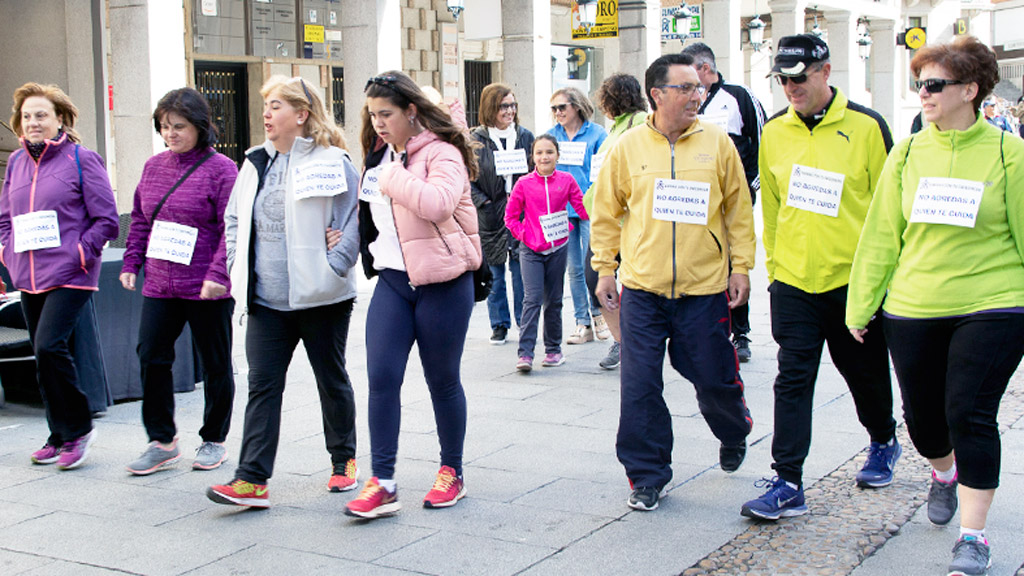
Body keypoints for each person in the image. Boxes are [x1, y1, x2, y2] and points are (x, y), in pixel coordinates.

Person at [847, 36, 1024, 576]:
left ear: (970, 90)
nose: (921, 94)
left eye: (933, 85)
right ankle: (942, 471)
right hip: (914, 303)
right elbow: (883, 232)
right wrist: (861, 305)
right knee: (924, 422)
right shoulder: (907, 152)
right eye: (917, 84)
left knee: (969, 412)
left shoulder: (1008, 154)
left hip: (994, 301)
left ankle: (974, 536)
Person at [742, 34, 900, 521]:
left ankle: (883, 439)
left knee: (864, 374)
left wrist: (878, 283)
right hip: (793, 283)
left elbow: (889, 209)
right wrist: (775, 269)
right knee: (793, 378)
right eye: (783, 79)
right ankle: (788, 481)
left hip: (853, 283)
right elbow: (770, 202)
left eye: (800, 77)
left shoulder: (868, 127)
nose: (791, 87)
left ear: (826, 72)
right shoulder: (774, 131)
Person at [591, 54, 755, 512]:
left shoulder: (718, 143)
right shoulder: (627, 148)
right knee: (639, 384)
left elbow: (738, 211)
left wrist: (740, 266)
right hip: (643, 290)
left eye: (698, 88)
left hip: (703, 291)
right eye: (685, 88)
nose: (696, 95)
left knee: (712, 375)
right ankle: (646, 475)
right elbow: (605, 212)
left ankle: (733, 428)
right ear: (657, 95)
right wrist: (605, 267)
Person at [206, 76, 361, 507]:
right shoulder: (255, 161)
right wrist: (237, 264)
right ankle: (251, 479)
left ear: (302, 114)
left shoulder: (333, 160)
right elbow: (234, 220)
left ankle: (343, 460)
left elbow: (354, 218)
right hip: (266, 301)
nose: (266, 114)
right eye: (266, 105)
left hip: (322, 297)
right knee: (262, 385)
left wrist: (335, 263)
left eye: (276, 106)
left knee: (330, 379)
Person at [345, 71, 482, 519]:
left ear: (411, 111)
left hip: (443, 283)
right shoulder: (380, 158)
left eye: (386, 114)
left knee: (442, 380)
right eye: (372, 115)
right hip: (392, 281)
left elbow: (438, 203)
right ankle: (382, 481)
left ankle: (452, 471)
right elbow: (370, 214)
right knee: (381, 377)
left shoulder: (442, 153)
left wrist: (392, 178)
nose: (378, 123)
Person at [120, 88, 238, 475]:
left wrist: (218, 274)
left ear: (201, 127)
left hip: (206, 285)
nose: (171, 133)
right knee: (151, 355)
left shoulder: (221, 169)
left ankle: (213, 438)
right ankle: (162, 440)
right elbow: (140, 219)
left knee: (215, 363)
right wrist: (131, 262)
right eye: (165, 127)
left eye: (179, 126)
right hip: (160, 281)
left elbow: (230, 229)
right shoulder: (154, 167)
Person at [1, 82, 118, 470]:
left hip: (71, 273)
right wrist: (6, 249)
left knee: (51, 346)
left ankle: (79, 428)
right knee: (43, 354)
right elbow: (5, 219)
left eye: (41, 115)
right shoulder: (17, 162)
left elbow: (106, 220)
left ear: (60, 119)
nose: (33, 122)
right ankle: (58, 433)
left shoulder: (82, 159)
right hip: (28, 273)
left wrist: (80, 252)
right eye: (27, 116)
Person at [683, 42, 766, 363]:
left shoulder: (739, 97)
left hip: (731, 200)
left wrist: (748, 191)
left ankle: (740, 332)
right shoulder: (687, 102)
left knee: (733, 264)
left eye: (691, 74)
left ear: (705, 69)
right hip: (693, 203)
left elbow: (761, 144)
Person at [505, 135, 586, 371]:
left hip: (558, 248)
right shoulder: (524, 183)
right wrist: (526, 235)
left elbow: (581, 207)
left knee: (554, 300)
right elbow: (510, 218)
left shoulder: (567, 180)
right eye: (539, 152)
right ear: (533, 157)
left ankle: (553, 350)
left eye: (549, 152)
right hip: (531, 251)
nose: (544, 157)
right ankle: (525, 354)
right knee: (532, 299)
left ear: (557, 155)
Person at [584, 73, 647, 371]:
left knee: (617, 279)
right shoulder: (616, 128)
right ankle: (623, 340)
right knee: (594, 277)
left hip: (627, 220)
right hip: (605, 217)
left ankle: (631, 341)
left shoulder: (640, 124)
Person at [470, 83, 533, 345]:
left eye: (513, 105)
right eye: (504, 106)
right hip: (491, 213)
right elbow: (467, 176)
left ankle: (524, 321)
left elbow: (534, 168)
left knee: (521, 270)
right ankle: (499, 324)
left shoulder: (525, 136)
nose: (510, 111)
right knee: (495, 272)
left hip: (519, 212)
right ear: (490, 107)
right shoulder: (475, 139)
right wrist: (482, 202)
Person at [547, 87, 607, 345]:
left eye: (562, 107)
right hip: (563, 209)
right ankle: (582, 322)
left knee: (591, 264)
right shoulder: (552, 136)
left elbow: (602, 171)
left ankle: (599, 315)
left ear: (577, 106)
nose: (558, 113)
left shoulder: (597, 134)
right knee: (572, 269)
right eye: (554, 109)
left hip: (589, 207)